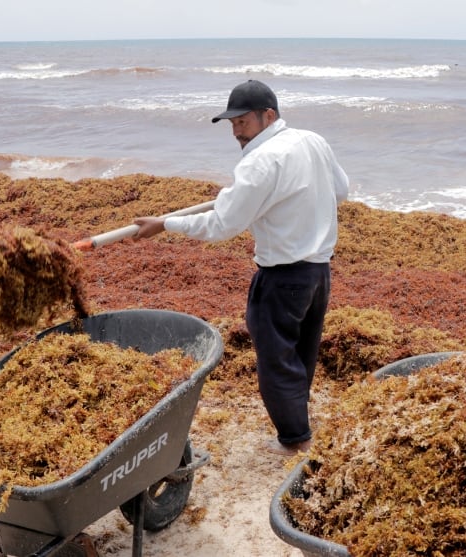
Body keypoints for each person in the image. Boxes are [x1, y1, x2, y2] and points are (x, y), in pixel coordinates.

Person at [133, 80, 349, 456]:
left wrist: (166, 224)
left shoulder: (259, 162)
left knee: (275, 360)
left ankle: (297, 440)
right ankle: (299, 425)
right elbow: (341, 191)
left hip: (283, 277)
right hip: (319, 273)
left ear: (270, 115)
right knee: (301, 353)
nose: (237, 132)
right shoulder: (312, 141)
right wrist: (285, 201)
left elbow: (222, 225)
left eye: (243, 122)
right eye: (232, 124)